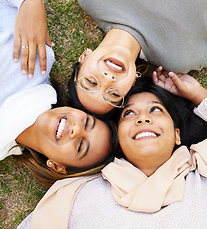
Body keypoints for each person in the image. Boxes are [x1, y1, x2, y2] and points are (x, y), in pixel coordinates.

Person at [18, 73, 207, 229]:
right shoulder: (78, 194)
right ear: (120, 142)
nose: (142, 118)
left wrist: (198, 94)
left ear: (177, 135)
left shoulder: (202, 168)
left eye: (156, 110)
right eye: (129, 113)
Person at [0, 0, 117, 188]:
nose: (76, 129)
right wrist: (29, 0)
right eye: (87, 122)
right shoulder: (35, 59)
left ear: (57, 166)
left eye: (80, 145)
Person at [67, 0, 207, 116]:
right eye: (114, 93)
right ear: (133, 82)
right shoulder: (180, 58)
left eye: (91, 81)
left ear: (84, 57)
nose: (108, 79)